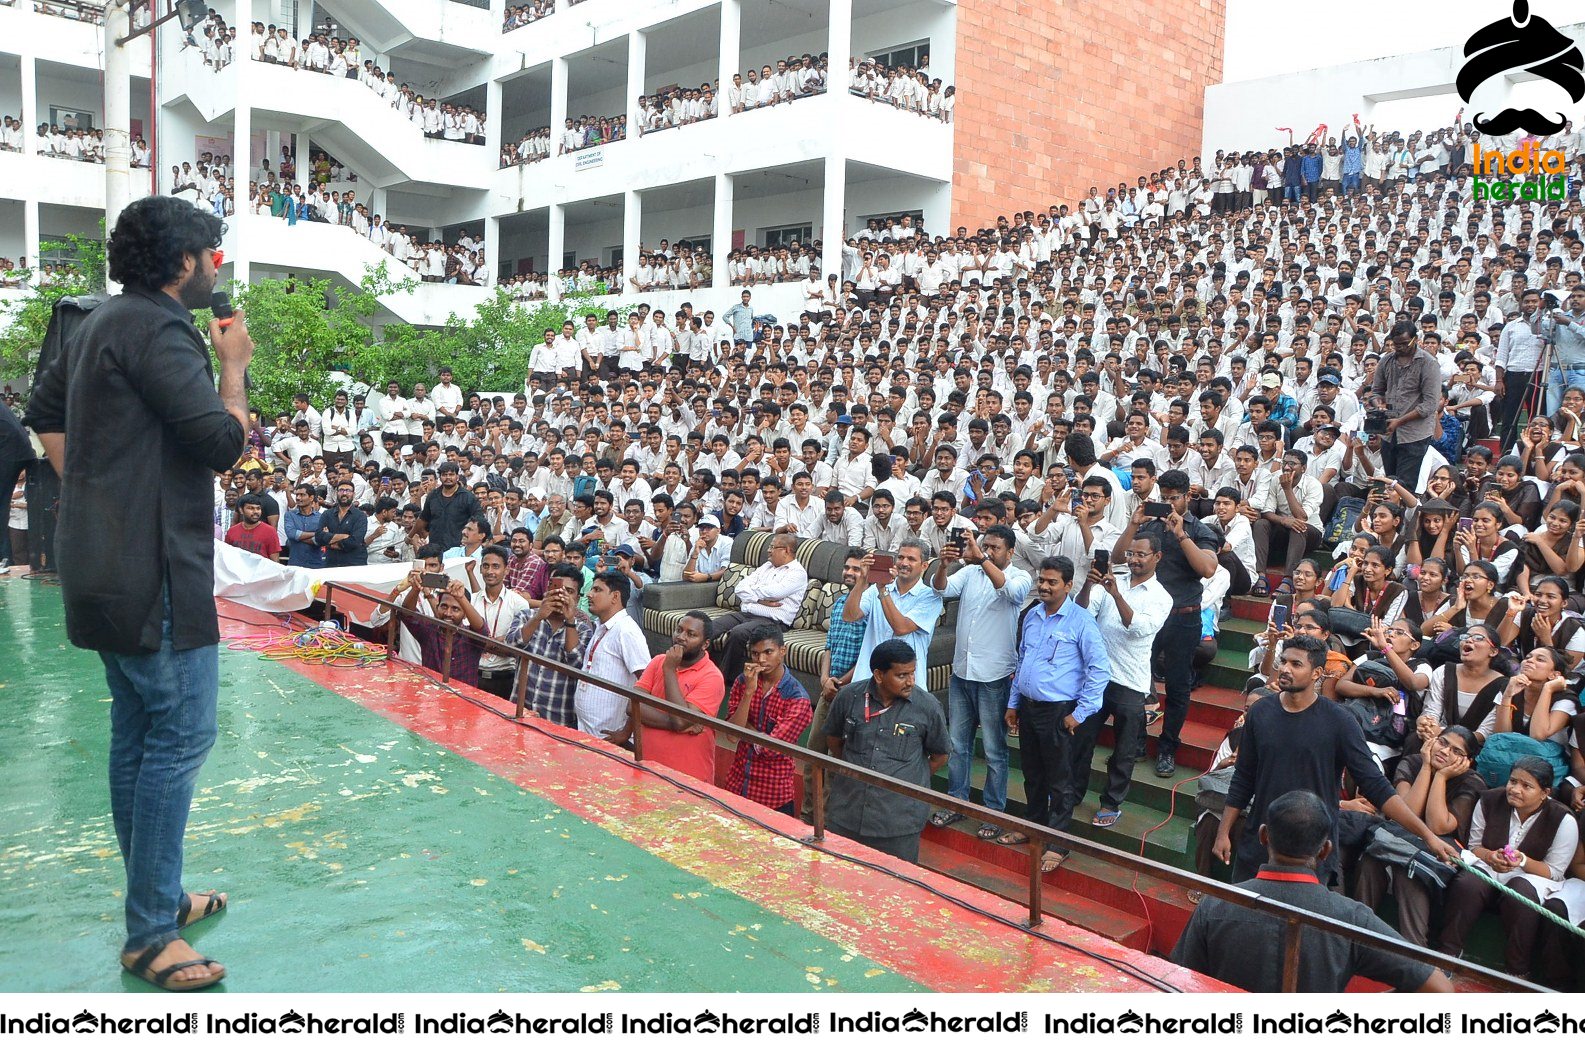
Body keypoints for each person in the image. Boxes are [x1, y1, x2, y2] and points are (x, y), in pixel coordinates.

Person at [25, 196, 249, 991]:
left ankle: (160, 898)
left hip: (97, 562)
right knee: (180, 737)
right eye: (211, 256)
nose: (214, 270)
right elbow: (222, 444)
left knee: (138, 735)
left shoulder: (93, 323)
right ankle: (150, 935)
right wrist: (233, 366)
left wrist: (95, 487)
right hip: (152, 572)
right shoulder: (162, 332)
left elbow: (42, 412)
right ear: (185, 262)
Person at [1215, 635, 1459, 883]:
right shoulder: (1260, 712)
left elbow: (1376, 785)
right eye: (1284, 661)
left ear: (1317, 673)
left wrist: (1427, 836)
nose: (1285, 669)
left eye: (1296, 664)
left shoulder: (1339, 721)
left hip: (1313, 850)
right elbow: (1243, 778)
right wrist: (1223, 832)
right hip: (1260, 843)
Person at [1172, 790, 1453, 993]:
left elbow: (1177, 982)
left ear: (1263, 836)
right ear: (1326, 851)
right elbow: (1439, 989)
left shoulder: (1217, 905)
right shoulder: (1351, 918)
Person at [998, 555, 1110, 873]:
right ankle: (1033, 827)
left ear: (1069, 585)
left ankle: (1058, 843)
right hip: (1029, 709)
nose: (1044, 586)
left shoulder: (1081, 621)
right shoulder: (1032, 616)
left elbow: (1099, 670)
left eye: (1052, 582)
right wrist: (1013, 703)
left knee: (1061, 781)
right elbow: (1022, 663)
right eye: (1042, 580)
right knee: (1033, 773)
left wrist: (1081, 713)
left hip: (1060, 712)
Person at [1110, 469, 1218, 777]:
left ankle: (1168, 746)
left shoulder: (1200, 529)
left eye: (1174, 498)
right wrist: (1134, 526)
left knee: (1178, 686)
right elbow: (1120, 557)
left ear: (1187, 497)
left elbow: (1207, 569)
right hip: (1146, 615)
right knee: (1138, 681)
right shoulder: (1151, 528)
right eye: (1164, 498)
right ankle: (1137, 742)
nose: (1168, 504)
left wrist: (1180, 533)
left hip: (1183, 616)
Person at [928, 525, 1032, 839]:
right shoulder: (969, 572)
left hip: (994, 677)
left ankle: (993, 812)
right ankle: (957, 802)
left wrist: (981, 559)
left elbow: (1011, 593)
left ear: (1010, 551)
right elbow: (941, 589)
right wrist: (945, 565)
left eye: (995, 548)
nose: (987, 551)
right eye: (985, 546)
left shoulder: (1021, 576)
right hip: (962, 672)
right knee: (958, 746)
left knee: (994, 750)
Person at [1438, 756, 1579, 978]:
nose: (1515, 789)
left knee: (1520, 893)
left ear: (1545, 793)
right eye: (1513, 781)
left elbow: (1554, 871)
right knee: (1468, 884)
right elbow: (1475, 846)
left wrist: (1522, 861)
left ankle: (1517, 971)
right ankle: (1448, 954)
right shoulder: (1489, 800)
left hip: (1534, 878)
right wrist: (1491, 856)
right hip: (1491, 866)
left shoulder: (1563, 820)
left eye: (1526, 786)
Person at [1073, 534, 1171, 827]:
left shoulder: (1162, 597)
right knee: (1081, 742)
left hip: (1131, 682)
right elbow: (1081, 612)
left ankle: (1111, 803)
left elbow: (1137, 627)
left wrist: (1116, 594)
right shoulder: (1110, 582)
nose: (1134, 559)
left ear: (1157, 557)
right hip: (1097, 677)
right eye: (1130, 554)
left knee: (1124, 751)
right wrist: (1090, 584)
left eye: (1141, 554)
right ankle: (1072, 793)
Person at [824, 639, 948, 863]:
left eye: (913, 673)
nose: (911, 681)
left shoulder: (928, 706)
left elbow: (940, 755)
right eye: (902, 675)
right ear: (879, 675)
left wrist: (909, 778)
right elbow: (833, 739)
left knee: (896, 887)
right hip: (847, 813)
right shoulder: (848, 697)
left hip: (898, 822)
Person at [723, 622, 814, 815]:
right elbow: (731, 735)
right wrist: (749, 692)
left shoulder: (797, 698)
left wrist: (745, 729)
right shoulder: (743, 682)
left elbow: (769, 747)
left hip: (773, 795)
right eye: (755, 654)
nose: (761, 660)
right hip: (736, 784)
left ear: (782, 651)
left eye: (768, 652)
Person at [635, 610, 726, 785]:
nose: (681, 637)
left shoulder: (712, 676)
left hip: (687, 778)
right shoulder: (658, 661)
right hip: (647, 768)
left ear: (705, 644)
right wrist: (677, 724)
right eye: (679, 630)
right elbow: (633, 706)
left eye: (691, 634)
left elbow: (680, 720)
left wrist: (669, 670)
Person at [707, 533, 809, 683]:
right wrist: (761, 600)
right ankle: (698, 669)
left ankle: (723, 681)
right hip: (746, 613)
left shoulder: (797, 573)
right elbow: (740, 588)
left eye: (773, 547)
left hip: (772, 621)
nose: (769, 550)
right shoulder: (767, 566)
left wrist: (755, 594)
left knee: (738, 634)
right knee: (710, 627)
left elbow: (775, 593)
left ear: (786, 550)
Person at [508, 564, 593, 727]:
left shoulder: (583, 629)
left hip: (557, 718)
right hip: (519, 711)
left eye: (569, 592)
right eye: (558, 589)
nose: (562, 596)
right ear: (548, 590)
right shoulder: (527, 616)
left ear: (577, 598)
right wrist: (539, 616)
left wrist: (569, 621)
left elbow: (576, 664)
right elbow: (512, 645)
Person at [572, 570, 652, 742]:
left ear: (615, 596)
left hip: (610, 736)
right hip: (588, 729)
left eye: (597, 590)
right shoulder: (600, 625)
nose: (589, 594)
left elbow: (647, 683)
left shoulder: (627, 631)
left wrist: (625, 732)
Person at [842, 539, 943, 673]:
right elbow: (849, 616)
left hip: (906, 682)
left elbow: (901, 628)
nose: (904, 563)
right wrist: (862, 580)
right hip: (868, 677)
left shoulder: (931, 597)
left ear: (924, 566)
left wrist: (883, 590)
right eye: (900, 557)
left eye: (911, 559)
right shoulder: (874, 590)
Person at [1369, 320, 1442, 489]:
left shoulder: (1428, 363)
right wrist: (1379, 405)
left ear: (1415, 339)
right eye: (1396, 344)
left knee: (1405, 485)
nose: (1399, 348)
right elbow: (1376, 391)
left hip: (1414, 434)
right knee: (1390, 481)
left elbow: (1430, 405)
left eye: (1403, 344)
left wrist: (1399, 421)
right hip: (1388, 432)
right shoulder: (1386, 361)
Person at [470, 544, 531, 699]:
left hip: (505, 678)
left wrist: (480, 642)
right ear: (480, 569)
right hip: (473, 674)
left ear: (506, 570)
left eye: (496, 566)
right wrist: (499, 643)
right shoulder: (471, 600)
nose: (490, 571)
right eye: (486, 566)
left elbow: (517, 646)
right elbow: (466, 638)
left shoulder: (519, 603)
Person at [224, 494, 282, 559]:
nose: (255, 512)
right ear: (241, 510)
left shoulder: (270, 531)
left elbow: (275, 561)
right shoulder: (232, 531)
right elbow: (227, 557)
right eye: (251, 508)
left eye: (258, 508)